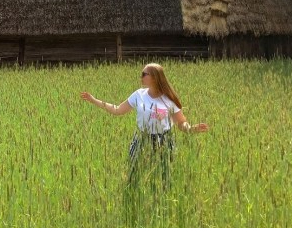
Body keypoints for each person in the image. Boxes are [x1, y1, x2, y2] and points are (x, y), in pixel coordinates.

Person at [80, 63, 208, 186]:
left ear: (154, 77)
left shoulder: (169, 99)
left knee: (164, 177)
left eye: (144, 74)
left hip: (164, 141)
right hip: (141, 139)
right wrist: (94, 100)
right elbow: (117, 110)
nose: (140, 77)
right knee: (133, 175)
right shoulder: (139, 95)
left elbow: (181, 122)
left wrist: (191, 129)